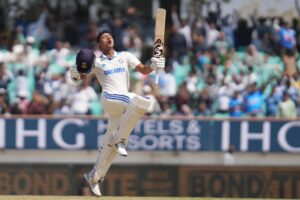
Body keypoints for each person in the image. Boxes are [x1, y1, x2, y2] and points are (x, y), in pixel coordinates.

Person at [69, 29, 165, 196]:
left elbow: (143, 70)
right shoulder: (97, 62)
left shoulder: (125, 56)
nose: (109, 39)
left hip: (122, 106)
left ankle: (94, 176)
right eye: (104, 38)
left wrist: (154, 65)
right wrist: (76, 73)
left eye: (110, 37)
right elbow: (81, 74)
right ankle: (120, 139)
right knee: (140, 101)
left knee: (109, 147)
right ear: (99, 44)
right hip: (109, 98)